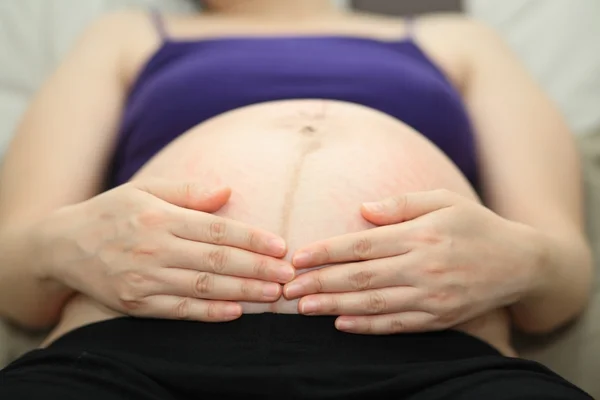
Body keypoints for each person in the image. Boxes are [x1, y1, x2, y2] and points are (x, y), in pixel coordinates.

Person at [0, 0, 593, 398]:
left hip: (439, 356)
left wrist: (520, 260)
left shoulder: (458, 38)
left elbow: (561, 279)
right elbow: (15, 276)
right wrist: (69, 243)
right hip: (120, 351)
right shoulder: (125, 33)